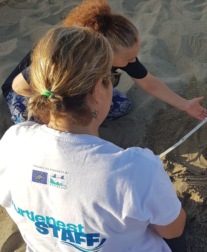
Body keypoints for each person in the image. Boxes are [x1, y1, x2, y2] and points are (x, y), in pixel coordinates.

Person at [0, 26, 186, 251]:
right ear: (99, 90)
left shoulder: (11, 143)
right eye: (111, 79)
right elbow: (172, 229)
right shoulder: (137, 169)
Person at [2, 0, 207, 124]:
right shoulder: (64, 56)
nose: (133, 61)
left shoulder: (121, 55)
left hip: (77, 88)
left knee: (121, 106)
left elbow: (148, 81)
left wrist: (185, 105)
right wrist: (60, 107)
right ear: (104, 53)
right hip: (35, 92)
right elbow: (18, 86)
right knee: (41, 124)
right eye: (129, 58)